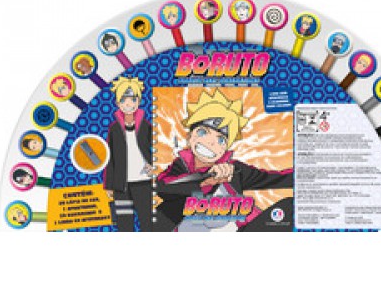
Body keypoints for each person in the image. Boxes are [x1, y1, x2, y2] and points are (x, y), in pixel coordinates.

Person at [155, 89, 293, 231]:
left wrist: (304, 173)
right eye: (203, 132)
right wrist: (206, 179)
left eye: (220, 140)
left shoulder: (234, 170)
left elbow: (273, 178)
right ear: (190, 138)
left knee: (289, 207)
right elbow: (162, 187)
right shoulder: (180, 167)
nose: (211, 142)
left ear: (225, 148)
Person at [103, 77, 153, 232]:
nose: (129, 104)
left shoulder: (146, 126)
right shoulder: (114, 129)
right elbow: (110, 157)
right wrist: (109, 185)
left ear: (139, 101)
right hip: (121, 185)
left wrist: (155, 166)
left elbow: (159, 148)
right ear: (118, 103)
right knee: (124, 224)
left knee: (147, 221)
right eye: (124, 100)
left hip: (144, 181)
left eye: (133, 100)